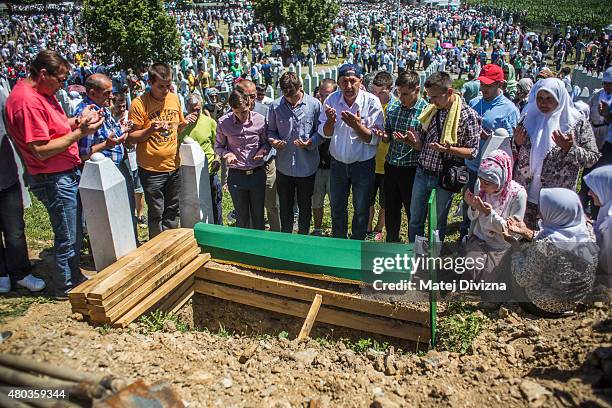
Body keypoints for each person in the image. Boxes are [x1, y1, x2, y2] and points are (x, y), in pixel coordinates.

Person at [5, 50, 103, 297]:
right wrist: (80, 133)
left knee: (72, 231)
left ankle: (74, 276)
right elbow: (41, 149)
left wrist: (79, 121)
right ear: (43, 73)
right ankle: (65, 286)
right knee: (67, 236)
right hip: (52, 177)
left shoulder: (42, 93)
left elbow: (53, 128)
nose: (62, 85)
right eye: (60, 79)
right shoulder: (27, 102)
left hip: (62, 173)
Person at [513, 78, 601, 229]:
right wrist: (517, 143)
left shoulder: (576, 123)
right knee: (522, 240)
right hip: (525, 197)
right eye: (540, 98)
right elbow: (516, 151)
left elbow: (592, 158)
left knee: (549, 244)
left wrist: (570, 148)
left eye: (549, 98)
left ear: (560, 97)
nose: (543, 103)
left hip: (556, 201)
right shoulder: (529, 118)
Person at [405, 71, 481, 241]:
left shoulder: (467, 115)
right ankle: (414, 255)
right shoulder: (432, 111)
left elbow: (473, 151)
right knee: (415, 219)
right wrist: (412, 141)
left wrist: (448, 150)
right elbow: (422, 144)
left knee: (437, 223)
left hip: (444, 177)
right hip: (423, 172)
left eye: (435, 97)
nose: (432, 101)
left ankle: (433, 261)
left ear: (449, 92)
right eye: (430, 97)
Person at [128, 62, 197, 239]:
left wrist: (185, 123)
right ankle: (157, 247)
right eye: (161, 87)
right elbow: (131, 137)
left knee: (173, 210)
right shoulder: (139, 104)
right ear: (150, 82)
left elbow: (176, 128)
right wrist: (151, 129)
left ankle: (171, 243)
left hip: (173, 166)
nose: (166, 90)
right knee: (157, 212)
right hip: (151, 169)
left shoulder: (173, 98)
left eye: (169, 86)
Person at [507, 188, 598, 317]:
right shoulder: (589, 233)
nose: (539, 215)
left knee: (520, 253)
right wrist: (526, 231)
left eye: (542, 211)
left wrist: (515, 248)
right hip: (577, 300)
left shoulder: (542, 245)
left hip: (543, 306)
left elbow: (523, 279)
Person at [318, 64, 384, 240]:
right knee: (337, 207)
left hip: (363, 164)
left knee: (361, 208)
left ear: (360, 81)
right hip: (338, 164)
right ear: (339, 83)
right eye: (344, 81)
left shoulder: (371, 102)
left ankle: (357, 243)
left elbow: (374, 138)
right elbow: (325, 133)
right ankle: (340, 241)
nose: (348, 86)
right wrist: (331, 121)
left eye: (352, 81)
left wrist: (356, 126)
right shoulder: (331, 100)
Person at [75, 74, 137, 240]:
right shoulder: (87, 114)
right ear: (92, 92)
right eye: (106, 92)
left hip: (117, 167)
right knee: (110, 219)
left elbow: (112, 134)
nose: (111, 96)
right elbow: (82, 155)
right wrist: (106, 145)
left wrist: (123, 129)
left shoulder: (102, 108)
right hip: (102, 176)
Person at [463, 64, 520, 239]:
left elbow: (511, 144)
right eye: (482, 84)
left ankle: (487, 237)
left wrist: (489, 138)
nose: (484, 88)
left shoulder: (509, 110)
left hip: (492, 174)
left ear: (500, 84)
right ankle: (466, 234)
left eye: (489, 85)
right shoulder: (474, 103)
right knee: (470, 202)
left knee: (489, 206)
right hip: (473, 165)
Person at [0, 86, 44, 293]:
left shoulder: (0, 93)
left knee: (14, 230)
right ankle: (1, 274)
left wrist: (26, 165)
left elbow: (15, 131)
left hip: (5, 174)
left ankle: (20, 273)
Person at [267, 72, 321, 234]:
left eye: (294, 96)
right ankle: (287, 239)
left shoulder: (314, 105)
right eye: (287, 96)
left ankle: (303, 238)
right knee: (285, 207)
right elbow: (270, 130)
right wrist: (274, 141)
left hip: (307, 166)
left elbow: (322, 133)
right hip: (284, 166)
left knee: (305, 207)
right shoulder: (275, 106)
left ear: (300, 87)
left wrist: (310, 142)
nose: (291, 100)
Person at [463, 150, 527, 280]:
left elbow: (513, 232)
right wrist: (474, 207)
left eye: (487, 183)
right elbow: (472, 218)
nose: (482, 186)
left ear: (501, 179)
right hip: (480, 238)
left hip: (502, 245)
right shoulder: (480, 185)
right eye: (480, 180)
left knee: (491, 278)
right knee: (472, 267)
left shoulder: (517, 195)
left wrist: (489, 214)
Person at [382, 70, 428, 243]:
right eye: (399, 93)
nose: (401, 98)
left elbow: (426, 146)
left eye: (406, 94)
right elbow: (387, 135)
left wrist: (412, 143)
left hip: (412, 169)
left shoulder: (426, 111)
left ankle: (413, 248)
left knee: (413, 212)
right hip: (392, 165)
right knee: (391, 210)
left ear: (417, 89)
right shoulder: (393, 108)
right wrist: (383, 135)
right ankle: (392, 242)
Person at [215, 89, 269, 229]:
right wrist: (227, 154)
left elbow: (266, 143)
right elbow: (218, 147)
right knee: (241, 216)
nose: (240, 116)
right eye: (236, 112)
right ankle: (243, 248)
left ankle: (258, 247)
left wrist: (263, 150)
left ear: (249, 104)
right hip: (237, 175)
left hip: (257, 173)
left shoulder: (260, 120)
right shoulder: (223, 123)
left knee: (258, 216)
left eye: (243, 111)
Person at [237, 79, 280, 231]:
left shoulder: (266, 110)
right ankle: (252, 234)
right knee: (249, 206)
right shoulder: (233, 112)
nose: (250, 100)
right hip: (244, 168)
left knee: (271, 203)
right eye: (246, 96)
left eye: (253, 96)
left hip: (266, 164)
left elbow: (272, 135)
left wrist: (265, 149)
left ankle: (276, 235)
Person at [179, 93, 223, 225]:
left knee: (215, 202)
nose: (195, 113)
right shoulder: (181, 125)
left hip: (208, 170)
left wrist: (217, 159)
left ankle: (218, 230)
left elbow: (219, 145)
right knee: (194, 205)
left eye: (197, 109)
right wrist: (184, 125)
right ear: (186, 108)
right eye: (191, 110)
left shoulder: (210, 122)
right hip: (188, 174)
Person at [368, 71, 395, 241]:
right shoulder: (370, 104)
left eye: (382, 92)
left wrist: (386, 135)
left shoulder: (394, 107)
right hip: (370, 159)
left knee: (385, 200)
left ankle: (380, 227)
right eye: (375, 92)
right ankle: (368, 226)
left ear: (390, 89)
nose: (377, 96)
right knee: (368, 197)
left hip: (387, 161)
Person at [112, 92, 145, 225]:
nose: (121, 109)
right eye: (118, 106)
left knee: (138, 187)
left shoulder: (129, 116)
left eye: (123, 106)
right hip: (119, 157)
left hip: (132, 155)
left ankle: (140, 214)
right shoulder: (111, 118)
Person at [311, 79, 337, 236]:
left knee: (336, 201)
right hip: (316, 164)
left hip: (334, 165)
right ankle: (318, 228)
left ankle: (336, 228)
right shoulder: (315, 111)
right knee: (317, 199)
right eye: (321, 94)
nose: (323, 98)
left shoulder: (339, 111)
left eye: (327, 95)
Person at [583, 165, 612, 284]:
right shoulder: (607, 207)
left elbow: (607, 264)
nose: (589, 193)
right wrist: (590, 224)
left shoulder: (611, 225)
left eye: (594, 189)